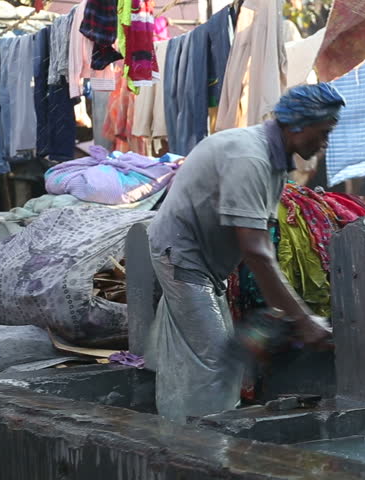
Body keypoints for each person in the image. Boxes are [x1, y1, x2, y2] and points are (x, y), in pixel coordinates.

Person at [145, 83, 346, 422]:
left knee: (218, 353)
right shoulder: (249, 157)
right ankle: (202, 445)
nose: (325, 142)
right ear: (297, 125)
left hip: (208, 261)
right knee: (214, 360)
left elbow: (262, 241)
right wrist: (302, 319)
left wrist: (282, 310)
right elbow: (254, 250)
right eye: (323, 132)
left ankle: (187, 423)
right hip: (183, 254)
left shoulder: (274, 162)